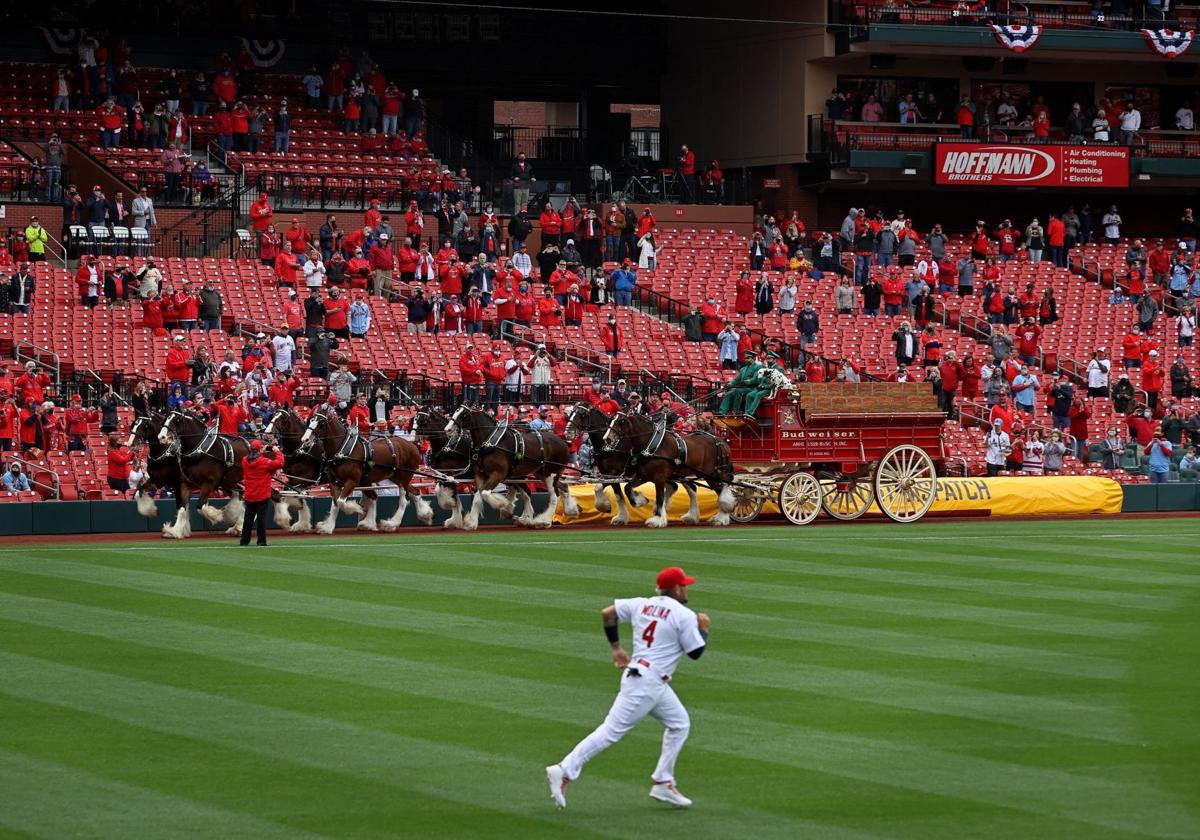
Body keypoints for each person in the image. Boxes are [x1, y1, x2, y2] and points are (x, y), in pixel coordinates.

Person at [546, 565, 709, 811]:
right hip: (646, 683)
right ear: (676, 588)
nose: (687, 589)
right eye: (684, 585)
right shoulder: (684, 615)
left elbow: (608, 613)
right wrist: (704, 629)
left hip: (647, 679)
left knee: (679, 723)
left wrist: (616, 648)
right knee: (611, 731)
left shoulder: (641, 603)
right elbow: (696, 652)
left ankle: (663, 781)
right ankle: (564, 769)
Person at [239, 440, 284, 546]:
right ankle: (261, 541)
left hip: (249, 495)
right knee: (261, 519)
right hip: (262, 495)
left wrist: (261, 451)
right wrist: (277, 452)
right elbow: (280, 463)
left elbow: (254, 459)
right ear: (259, 449)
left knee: (248, 519)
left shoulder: (244, 460)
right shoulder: (264, 462)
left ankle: (244, 541)